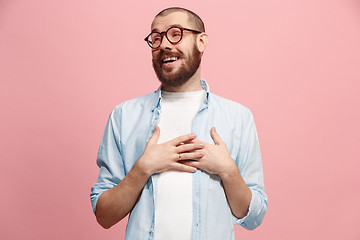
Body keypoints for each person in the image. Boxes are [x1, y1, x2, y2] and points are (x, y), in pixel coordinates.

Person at [90, 7, 267, 240]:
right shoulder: (124, 116)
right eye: (156, 38)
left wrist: (228, 170)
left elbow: (254, 217)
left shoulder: (238, 117)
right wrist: (143, 168)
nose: (164, 44)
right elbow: (104, 215)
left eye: (176, 34)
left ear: (201, 41)